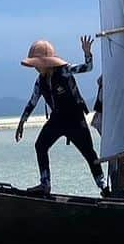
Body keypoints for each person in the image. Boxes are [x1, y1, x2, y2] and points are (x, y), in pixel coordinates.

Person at [14, 35, 106, 195]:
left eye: (37, 64)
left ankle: (104, 187)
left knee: (89, 153)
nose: (36, 68)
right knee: (40, 146)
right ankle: (45, 184)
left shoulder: (64, 71)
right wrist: (22, 122)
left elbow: (87, 67)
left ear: (46, 62)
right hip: (57, 119)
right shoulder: (40, 81)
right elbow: (32, 102)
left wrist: (87, 53)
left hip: (74, 118)